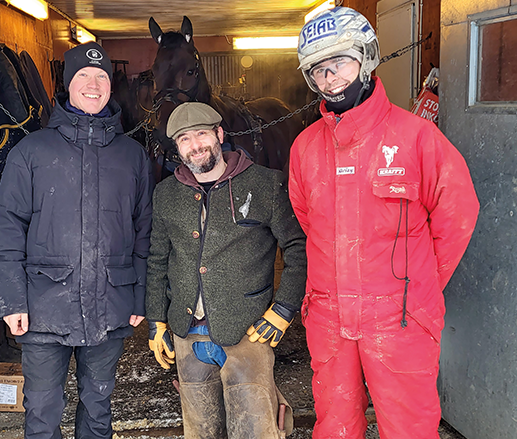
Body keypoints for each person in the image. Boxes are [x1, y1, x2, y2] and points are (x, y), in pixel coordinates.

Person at [289, 7, 479, 439]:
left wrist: (420, 284)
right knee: (335, 426)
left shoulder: (415, 137)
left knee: (409, 427)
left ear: (367, 57)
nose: (330, 77)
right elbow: (308, 219)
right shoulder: (304, 148)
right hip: (330, 316)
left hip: (400, 316)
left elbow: (458, 213)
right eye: (318, 70)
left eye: (339, 62)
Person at [0, 42, 153, 439]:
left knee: (98, 407)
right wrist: (11, 301)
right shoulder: (31, 151)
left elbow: (144, 230)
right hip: (45, 307)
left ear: (111, 87)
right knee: (43, 413)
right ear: (67, 85)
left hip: (110, 303)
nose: (93, 85)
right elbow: (7, 226)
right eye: (83, 76)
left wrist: (139, 295)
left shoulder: (133, 156)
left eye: (101, 77)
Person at [145, 102, 307, 438]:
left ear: (219, 135)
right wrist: (156, 321)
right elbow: (158, 258)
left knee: (254, 429)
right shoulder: (166, 194)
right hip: (187, 335)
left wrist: (283, 310)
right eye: (185, 139)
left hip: (247, 333)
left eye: (202, 134)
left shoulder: (266, 185)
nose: (195, 145)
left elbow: (299, 249)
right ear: (177, 147)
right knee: (201, 431)